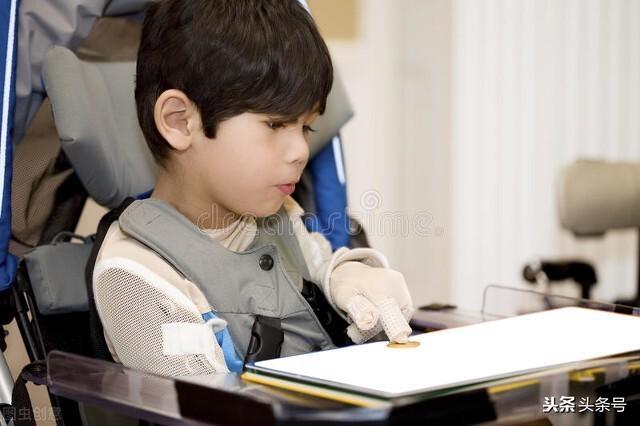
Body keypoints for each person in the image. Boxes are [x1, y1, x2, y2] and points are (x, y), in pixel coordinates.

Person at [90, 0, 414, 377]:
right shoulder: (134, 275)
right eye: (275, 125)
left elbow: (317, 269)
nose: (300, 151)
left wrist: (346, 277)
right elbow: (201, 402)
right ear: (180, 122)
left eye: (306, 127)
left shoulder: (281, 214)